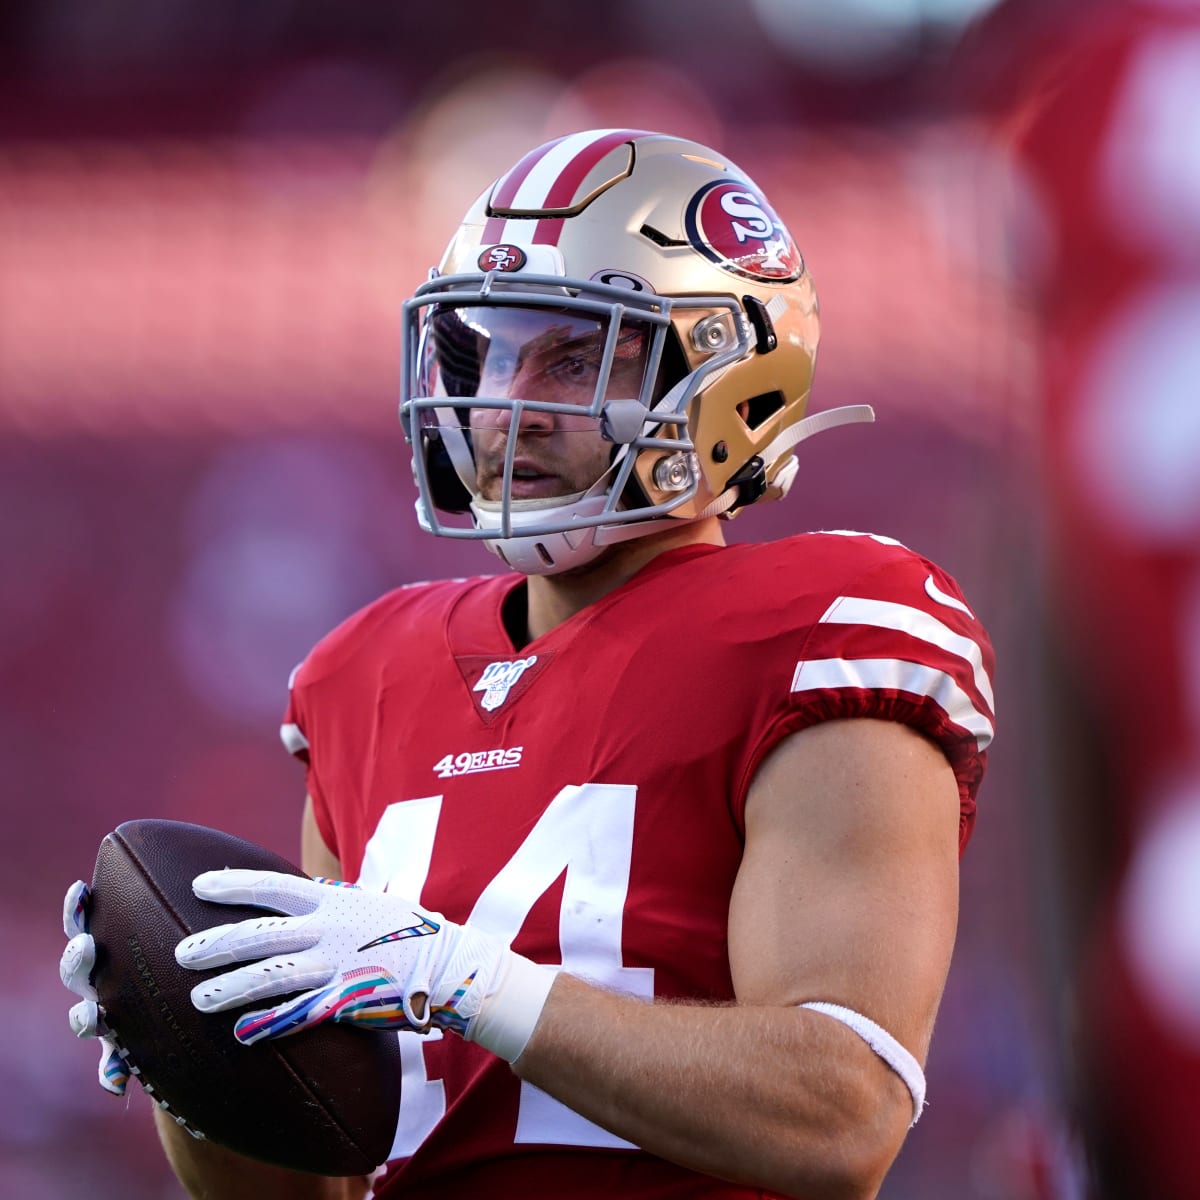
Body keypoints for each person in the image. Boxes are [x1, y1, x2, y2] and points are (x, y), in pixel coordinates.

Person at [60, 129, 996, 1200]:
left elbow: (842, 1117)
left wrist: (471, 983)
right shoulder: (364, 675)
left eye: (572, 355)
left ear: (725, 375)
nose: (506, 407)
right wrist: (195, 1058)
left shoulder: (823, 626)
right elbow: (315, 1184)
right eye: (483, 355)